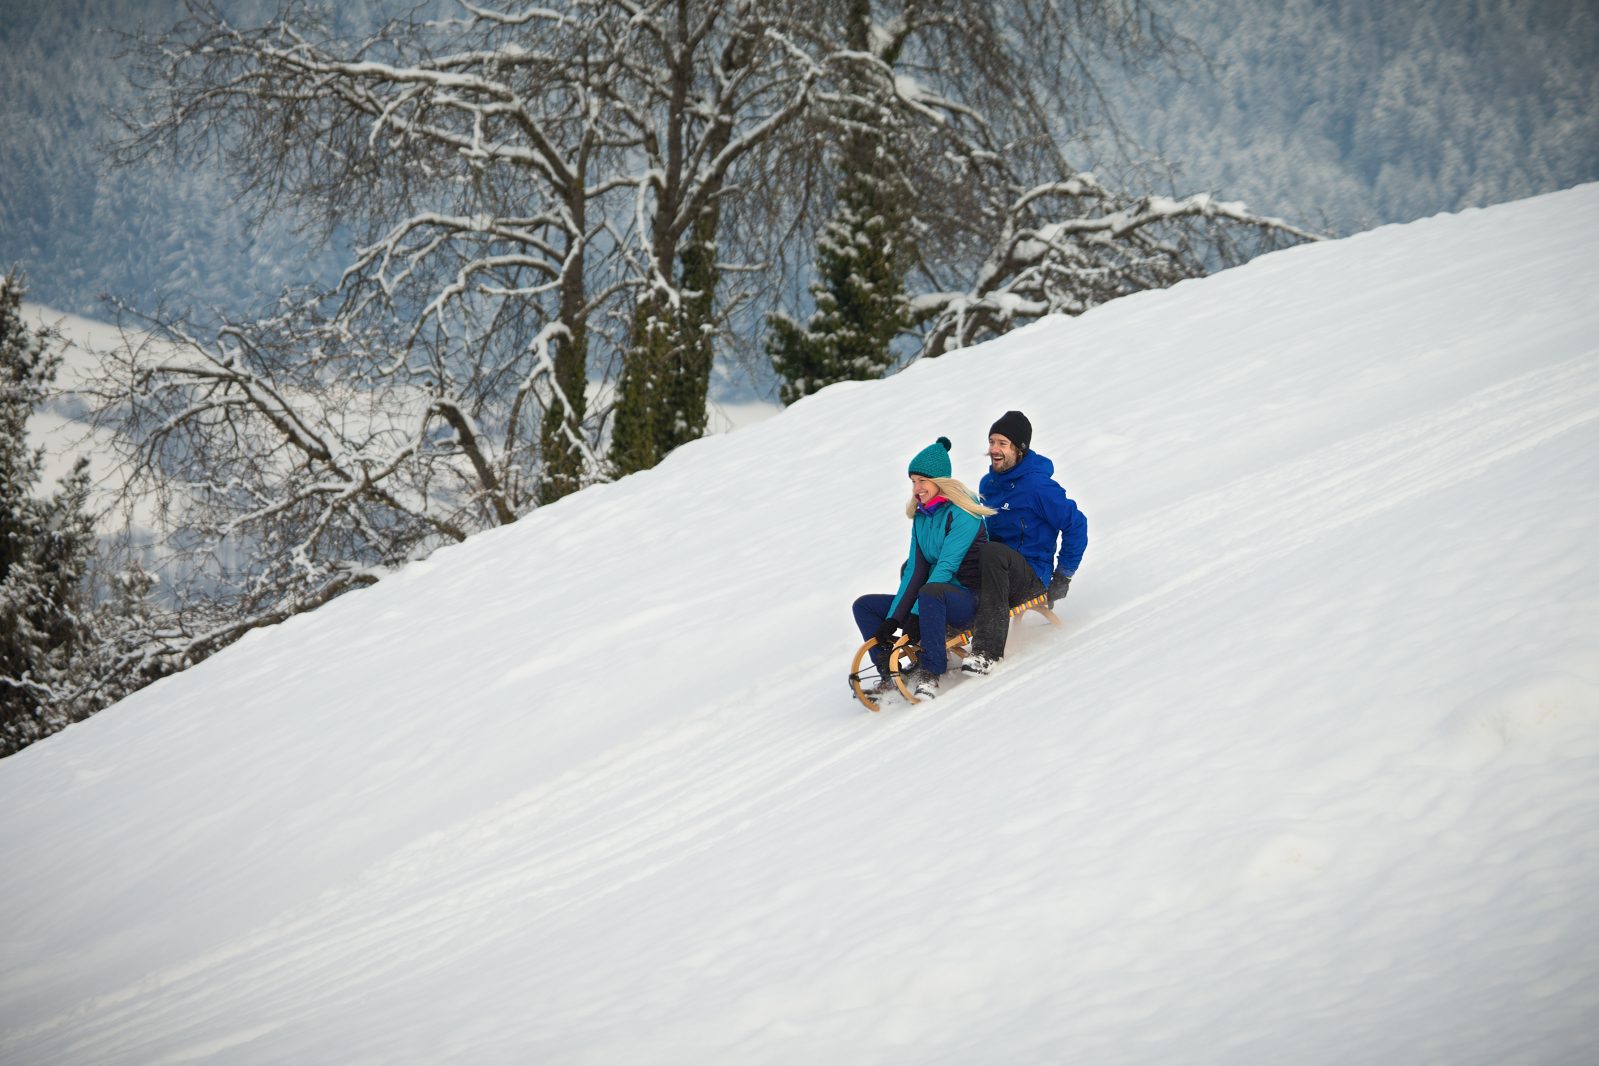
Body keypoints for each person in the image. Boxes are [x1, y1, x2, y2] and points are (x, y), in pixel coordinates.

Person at [852, 437, 995, 700]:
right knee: (864, 606)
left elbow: (945, 568)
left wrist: (915, 615)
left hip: (966, 599)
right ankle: (890, 675)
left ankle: (931, 673)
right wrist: (894, 619)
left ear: (940, 482)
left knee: (931, 592)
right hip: (932, 598)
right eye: (913, 481)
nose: (916, 488)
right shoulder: (921, 516)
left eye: (922, 481)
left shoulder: (964, 513)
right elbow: (916, 571)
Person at [962, 410, 1087, 675]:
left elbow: (1077, 524)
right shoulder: (989, 484)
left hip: (1031, 574)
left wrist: (1062, 576)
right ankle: (934, 647)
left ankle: (988, 652)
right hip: (996, 571)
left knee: (994, 553)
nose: (994, 449)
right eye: (992, 441)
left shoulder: (1037, 487)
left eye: (1002, 443)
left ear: (1019, 449)